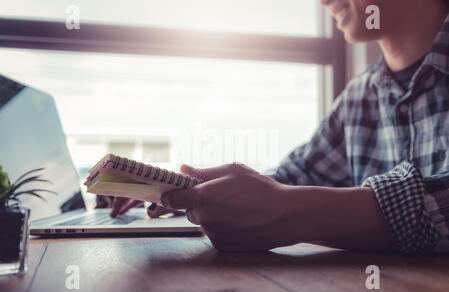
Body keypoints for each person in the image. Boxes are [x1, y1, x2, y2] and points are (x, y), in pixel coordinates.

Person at [112, 0, 449, 254]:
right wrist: (185, 193)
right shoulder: (361, 96)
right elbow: (294, 175)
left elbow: (284, 199)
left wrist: (293, 213)